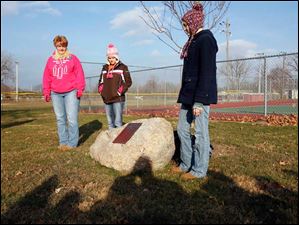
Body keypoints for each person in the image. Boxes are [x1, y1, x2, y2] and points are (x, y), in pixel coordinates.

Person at [172, 3, 218, 179]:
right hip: (188, 95)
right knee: (182, 129)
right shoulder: (192, 42)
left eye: (186, 25)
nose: (184, 29)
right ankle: (185, 163)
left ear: (194, 23)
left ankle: (199, 170)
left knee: (200, 133)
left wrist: (200, 100)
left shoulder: (206, 40)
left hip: (200, 97)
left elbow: (207, 72)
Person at [42, 35, 85, 151]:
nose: (61, 48)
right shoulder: (50, 60)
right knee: (60, 118)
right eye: (59, 46)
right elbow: (46, 76)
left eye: (64, 46)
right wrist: (46, 91)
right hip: (55, 93)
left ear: (66, 46)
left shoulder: (73, 58)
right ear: (56, 46)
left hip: (71, 91)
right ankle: (63, 142)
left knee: (71, 118)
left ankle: (72, 143)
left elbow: (79, 74)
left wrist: (80, 89)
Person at [98, 43, 132, 129]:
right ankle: (111, 142)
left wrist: (119, 91)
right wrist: (101, 90)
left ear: (116, 57)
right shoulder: (105, 68)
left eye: (113, 57)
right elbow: (101, 81)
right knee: (110, 122)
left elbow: (128, 82)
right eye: (109, 58)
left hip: (118, 98)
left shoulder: (123, 67)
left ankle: (119, 140)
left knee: (117, 122)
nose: (111, 59)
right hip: (107, 98)